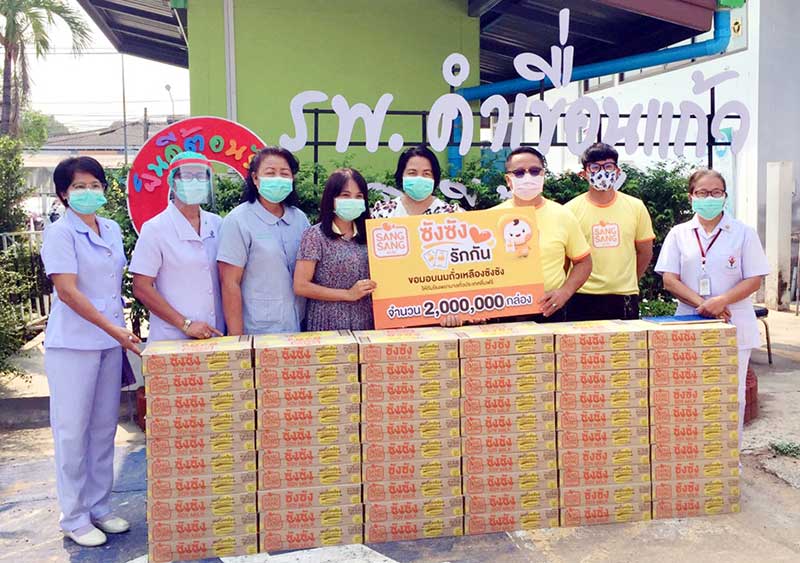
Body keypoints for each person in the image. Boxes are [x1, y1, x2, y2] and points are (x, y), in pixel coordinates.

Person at [40, 157, 141, 547]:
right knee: (72, 432)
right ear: (64, 194)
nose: (88, 192)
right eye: (79, 186)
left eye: (95, 185)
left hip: (109, 343)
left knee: (103, 428)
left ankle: (99, 507)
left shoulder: (111, 228)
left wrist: (117, 331)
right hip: (74, 344)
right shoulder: (60, 233)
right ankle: (74, 516)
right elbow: (68, 291)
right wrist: (114, 329)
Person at [655, 169, 769, 452]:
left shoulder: (743, 233)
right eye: (703, 193)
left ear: (725, 196)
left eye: (716, 192)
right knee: (687, 394)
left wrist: (722, 301)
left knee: (731, 395)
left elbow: (754, 278)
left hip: (733, 319)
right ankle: (690, 457)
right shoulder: (679, 234)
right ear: (691, 197)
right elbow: (669, 279)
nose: (709, 198)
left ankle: (729, 460)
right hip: (689, 320)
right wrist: (703, 305)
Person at [130, 151, 224, 341]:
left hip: (215, 332)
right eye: (187, 176)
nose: (195, 182)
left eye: (201, 176)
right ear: (173, 182)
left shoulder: (217, 224)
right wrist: (185, 324)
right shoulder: (155, 228)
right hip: (173, 336)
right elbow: (141, 287)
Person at [217, 146, 310, 335]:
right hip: (257, 330)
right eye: (270, 173)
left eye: (284, 173)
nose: (278, 179)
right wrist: (237, 340)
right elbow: (229, 283)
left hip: (297, 325)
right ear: (255, 178)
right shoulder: (238, 220)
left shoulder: (300, 219)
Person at [493, 147, 592, 322]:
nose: (527, 177)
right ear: (508, 180)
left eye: (534, 171)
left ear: (543, 175)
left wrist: (565, 292)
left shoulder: (563, 215)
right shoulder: (492, 218)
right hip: (502, 312)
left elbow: (583, 262)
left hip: (549, 310)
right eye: (519, 173)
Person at [565, 143, 654, 320]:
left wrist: (628, 280)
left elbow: (645, 252)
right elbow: (565, 258)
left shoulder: (636, 207)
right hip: (581, 296)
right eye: (595, 167)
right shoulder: (569, 210)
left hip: (624, 296)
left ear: (617, 171)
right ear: (584, 173)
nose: (602, 172)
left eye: (608, 166)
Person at [294, 168, 375, 331]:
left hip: (365, 323)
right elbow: (300, 285)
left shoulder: (371, 234)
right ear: (331, 198)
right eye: (345, 195)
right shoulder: (315, 235)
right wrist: (347, 294)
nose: (353, 200)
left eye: (359, 196)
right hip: (327, 323)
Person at [370, 145, 462, 218]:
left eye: (426, 173)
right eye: (412, 173)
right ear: (401, 175)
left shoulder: (451, 215)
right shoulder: (383, 213)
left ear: (435, 177)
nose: (419, 178)